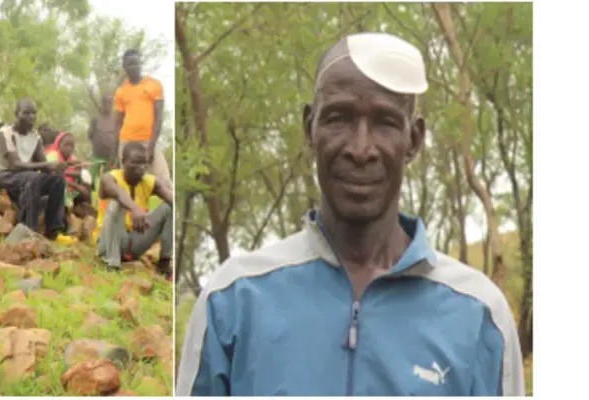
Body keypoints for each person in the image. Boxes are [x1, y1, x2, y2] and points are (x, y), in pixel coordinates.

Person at [176, 33, 524, 396]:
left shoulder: (479, 317)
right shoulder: (234, 300)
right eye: (338, 118)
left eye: (386, 122)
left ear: (414, 140)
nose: (361, 149)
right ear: (310, 127)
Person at [0, 98, 80, 244]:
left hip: (20, 178)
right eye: (26, 113)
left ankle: (54, 230)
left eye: (34, 113)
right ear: (16, 114)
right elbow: (15, 164)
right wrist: (48, 165)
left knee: (57, 181)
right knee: (32, 178)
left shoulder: (35, 137)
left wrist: (60, 166)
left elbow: (44, 166)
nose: (31, 117)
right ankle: (30, 230)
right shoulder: (5, 134)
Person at [94, 143, 172, 276]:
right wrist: (135, 208)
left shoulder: (150, 181)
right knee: (116, 204)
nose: (141, 168)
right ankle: (112, 264)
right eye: (135, 163)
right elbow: (118, 193)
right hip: (108, 243)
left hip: (134, 241)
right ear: (123, 162)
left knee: (168, 207)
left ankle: (164, 263)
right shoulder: (109, 178)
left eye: (144, 163)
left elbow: (171, 197)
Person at [113, 49, 171, 190]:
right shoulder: (121, 92)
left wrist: (151, 146)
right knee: (127, 184)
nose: (133, 67)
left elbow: (159, 117)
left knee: (165, 181)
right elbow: (118, 122)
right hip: (126, 141)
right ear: (124, 67)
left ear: (141, 64)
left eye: (135, 63)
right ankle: (131, 211)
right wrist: (115, 150)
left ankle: (167, 211)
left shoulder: (154, 85)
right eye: (129, 64)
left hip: (147, 140)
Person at [45, 131, 92, 210]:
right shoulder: (53, 155)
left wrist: (83, 169)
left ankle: (82, 207)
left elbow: (72, 173)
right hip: (50, 189)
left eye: (72, 146)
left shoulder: (72, 158)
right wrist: (76, 186)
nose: (69, 148)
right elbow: (54, 177)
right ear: (59, 144)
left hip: (67, 190)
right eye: (66, 145)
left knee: (87, 182)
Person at [88, 94, 117, 190]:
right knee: (89, 179)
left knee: (109, 180)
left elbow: (118, 138)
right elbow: (90, 135)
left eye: (109, 102)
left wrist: (114, 154)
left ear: (112, 104)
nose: (107, 105)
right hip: (96, 155)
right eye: (105, 102)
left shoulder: (116, 120)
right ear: (102, 104)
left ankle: (106, 200)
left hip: (111, 157)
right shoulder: (95, 119)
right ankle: (88, 198)